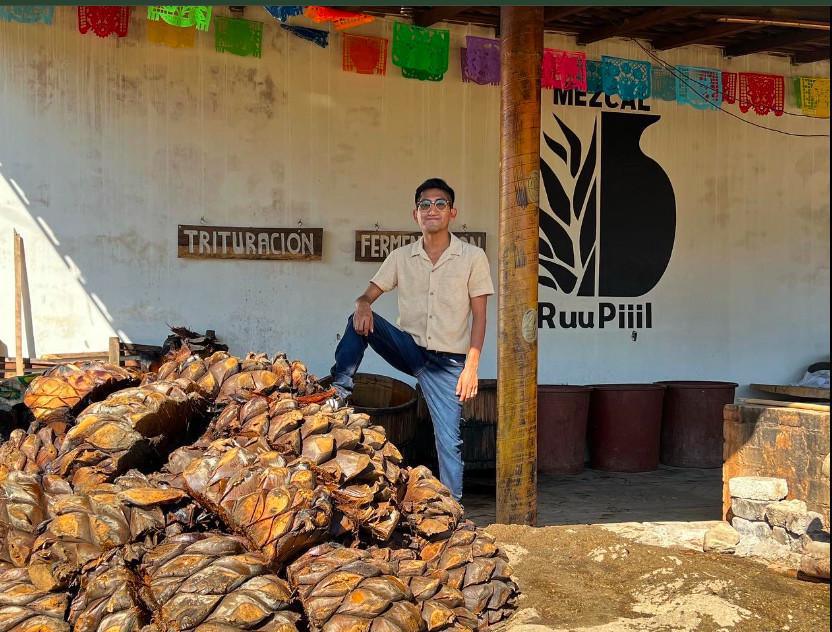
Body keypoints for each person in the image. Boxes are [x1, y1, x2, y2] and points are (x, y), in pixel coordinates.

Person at [327, 178, 494, 500]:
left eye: (440, 204)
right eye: (425, 205)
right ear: (415, 214)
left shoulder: (472, 257)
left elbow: (480, 315)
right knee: (359, 319)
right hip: (410, 350)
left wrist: (471, 367)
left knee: (449, 441)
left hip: (449, 364)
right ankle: (339, 389)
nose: (432, 209)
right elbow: (370, 294)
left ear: (452, 212)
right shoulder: (401, 257)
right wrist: (362, 303)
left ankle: (452, 512)